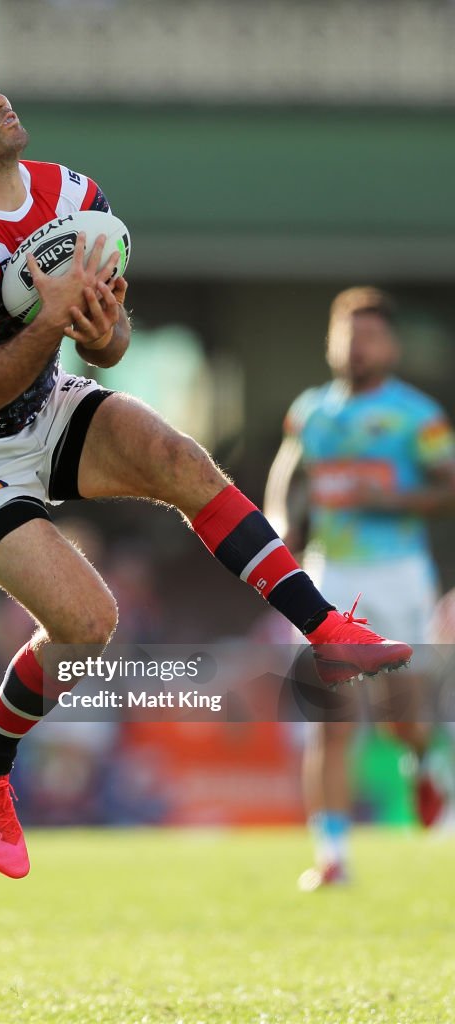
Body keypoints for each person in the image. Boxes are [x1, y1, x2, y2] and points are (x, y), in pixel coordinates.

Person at [0, 54, 411, 879]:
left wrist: (94, 329)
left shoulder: (72, 196)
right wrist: (53, 320)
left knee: (176, 456)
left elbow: (114, 342)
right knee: (90, 628)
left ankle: (326, 629)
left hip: (46, 403)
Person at [265, 286, 455, 889]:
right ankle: (332, 856)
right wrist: (280, 531)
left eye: (369, 336)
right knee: (331, 715)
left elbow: (450, 486)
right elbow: (287, 476)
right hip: (330, 573)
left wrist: (392, 498)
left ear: (390, 346)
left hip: (399, 571)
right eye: (348, 336)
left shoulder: (418, 416)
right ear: (331, 343)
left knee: (402, 714)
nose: (357, 348)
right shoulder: (313, 412)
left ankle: (424, 766)